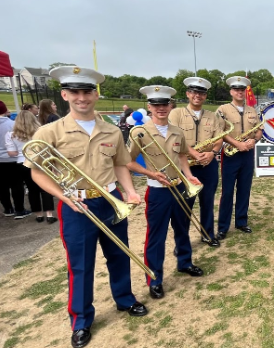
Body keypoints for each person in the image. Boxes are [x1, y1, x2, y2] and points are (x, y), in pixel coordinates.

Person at [24, 67, 148, 348]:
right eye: (76, 92)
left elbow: (119, 164)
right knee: (80, 265)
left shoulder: (111, 129)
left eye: (87, 92)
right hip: (76, 204)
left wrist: (129, 192)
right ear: (65, 94)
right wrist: (63, 196)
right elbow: (37, 172)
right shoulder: (49, 131)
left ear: (95, 94)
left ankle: (125, 300)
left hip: (110, 198)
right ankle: (81, 321)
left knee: (119, 255)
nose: (82, 98)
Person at [127, 85, 204, 300]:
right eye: (156, 104)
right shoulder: (139, 132)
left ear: (170, 105)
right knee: (156, 238)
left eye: (165, 104)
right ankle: (155, 279)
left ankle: (185, 262)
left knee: (183, 228)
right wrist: (150, 173)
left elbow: (181, 158)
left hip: (179, 187)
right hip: (158, 191)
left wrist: (188, 176)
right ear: (149, 107)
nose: (161, 108)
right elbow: (128, 162)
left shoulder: (177, 131)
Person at [168, 77, 224, 247]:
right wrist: (192, 152)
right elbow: (174, 137)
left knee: (207, 202)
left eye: (201, 93)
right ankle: (182, 244)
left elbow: (219, 138)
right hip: (186, 167)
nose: (197, 96)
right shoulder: (176, 114)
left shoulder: (212, 116)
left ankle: (207, 234)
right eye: (194, 92)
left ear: (205, 96)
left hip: (208, 165)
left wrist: (212, 153)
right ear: (187, 94)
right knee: (184, 207)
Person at [217, 76, 262, 238]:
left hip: (248, 154)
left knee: (244, 189)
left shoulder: (251, 110)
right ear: (231, 91)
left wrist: (254, 140)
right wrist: (237, 144)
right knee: (227, 191)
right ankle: (223, 227)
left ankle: (241, 222)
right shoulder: (223, 109)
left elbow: (259, 129)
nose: (239, 92)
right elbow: (220, 132)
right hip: (230, 154)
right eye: (236, 89)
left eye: (242, 90)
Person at [5, 110, 56, 223]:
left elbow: (11, 153)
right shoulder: (40, 131)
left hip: (22, 162)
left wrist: (21, 151)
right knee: (46, 187)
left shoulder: (11, 135)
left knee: (32, 190)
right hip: (40, 161)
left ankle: (38, 214)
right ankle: (49, 214)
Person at [0, 101, 27, 218]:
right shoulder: (12, 124)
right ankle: (19, 209)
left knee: (2, 186)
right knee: (16, 184)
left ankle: (8, 208)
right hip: (13, 158)